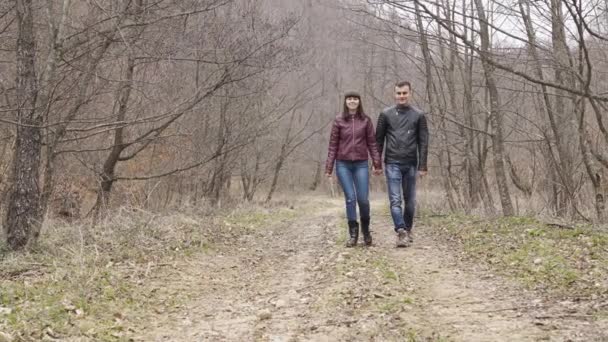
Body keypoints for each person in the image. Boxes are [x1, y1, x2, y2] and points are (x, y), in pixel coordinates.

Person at [376, 81, 429, 247]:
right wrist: (376, 163)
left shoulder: (419, 115)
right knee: (395, 200)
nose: (401, 96)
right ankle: (400, 231)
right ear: (394, 94)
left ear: (410, 93)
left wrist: (423, 165)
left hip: (411, 163)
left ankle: (408, 228)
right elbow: (378, 140)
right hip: (392, 162)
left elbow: (424, 142)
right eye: (399, 93)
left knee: (410, 201)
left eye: (404, 93)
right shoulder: (385, 114)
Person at [326, 91, 382, 247]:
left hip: (361, 164)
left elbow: (372, 143)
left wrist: (377, 163)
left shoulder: (365, 120)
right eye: (349, 99)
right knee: (350, 198)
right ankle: (353, 234)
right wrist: (329, 167)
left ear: (359, 101)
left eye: (355, 99)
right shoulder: (338, 121)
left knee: (363, 199)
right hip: (343, 164)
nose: (352, 101)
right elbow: (333, 145)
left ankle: (366, 230)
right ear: (345, 101)